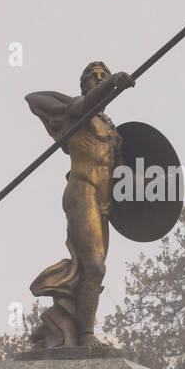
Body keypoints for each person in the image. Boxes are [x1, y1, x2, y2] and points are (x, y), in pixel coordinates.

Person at [26, 62, 134, 348]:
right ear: (85, 85)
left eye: (103, 76)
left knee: (89, 271)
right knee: (95, 267)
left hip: (103, 202)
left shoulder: (111, 129)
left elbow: (123, 174)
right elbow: (40, 98)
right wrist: (111, 85)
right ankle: (86, 336)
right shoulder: (77, 112)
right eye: (93, 77)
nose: (98, 79)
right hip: (82, 191)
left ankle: (56, 321)